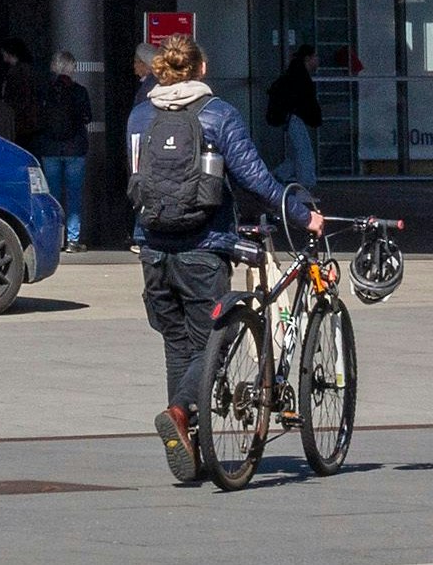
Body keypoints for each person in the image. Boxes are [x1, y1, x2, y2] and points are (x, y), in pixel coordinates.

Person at [128, 31, 315, 486]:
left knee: (178, 345)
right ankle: (178, 412)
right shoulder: (218, 114)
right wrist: (302, 214)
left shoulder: (140, 115)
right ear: (202, 69)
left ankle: (188, 444)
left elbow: (136, 179)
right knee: (220, 339)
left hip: (152, 247)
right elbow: (256, 180)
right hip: (203, 247)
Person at [29, 52, 97, 248]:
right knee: (74, 196)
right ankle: (73, 239)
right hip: (75, 149)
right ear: (71, 68)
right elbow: (88, 117)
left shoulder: (45, 91)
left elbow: (38, 118)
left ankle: (55, 238)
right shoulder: (80, 91)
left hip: (50, 149)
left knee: (53, 196)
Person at [265, 47, 326, 193]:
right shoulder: (300, 78)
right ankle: (304, 188)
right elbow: (306, 102)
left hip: (289, 117)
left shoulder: (293, 75)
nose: (318, 60)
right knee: (304, 154)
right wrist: (313, 117)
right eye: (315, 56)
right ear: (307, 58)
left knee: (296, 155)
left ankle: (275, 178)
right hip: (295, 118)